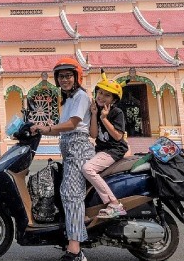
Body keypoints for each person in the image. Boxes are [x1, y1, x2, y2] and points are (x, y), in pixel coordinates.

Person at [31, 58, 94, 261]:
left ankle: (75, 251)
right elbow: (62, 127)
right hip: (69, 149)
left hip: (79, 150)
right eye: (61, 76)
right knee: (62, 189)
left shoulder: (81, 96)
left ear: (77, 77)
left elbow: (72, 125)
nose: (64, 79)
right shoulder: (67, 100)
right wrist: (39, 127)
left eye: (68, 75)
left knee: (70, 193)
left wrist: (49, 128)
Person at [82, 70, 129, 219]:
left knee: (88, 169)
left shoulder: (116, 112)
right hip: (101, 149)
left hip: (114, 150)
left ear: (114, 100)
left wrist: (104, 118)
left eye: (107, 95)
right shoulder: (95, 109)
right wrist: (95, 115)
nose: (102, 97)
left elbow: (117, 136)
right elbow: (94, 135)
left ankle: (114, 204)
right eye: (100, 93)